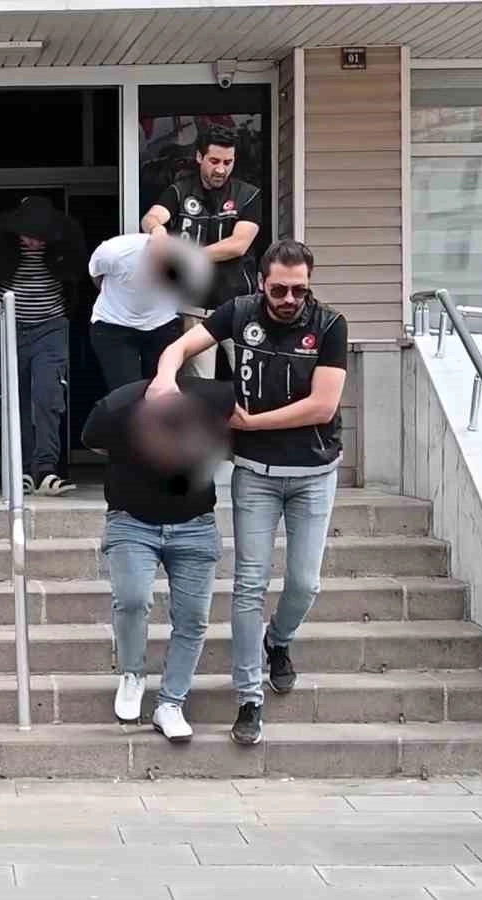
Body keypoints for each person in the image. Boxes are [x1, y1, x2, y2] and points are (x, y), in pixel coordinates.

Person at [148, 239, 348, 747]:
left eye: (299, 290)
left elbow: (323, 406)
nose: (289, 299)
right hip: (256, 474)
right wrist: (166, 377)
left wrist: (253, 423)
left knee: (304, 583)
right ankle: (249, 698)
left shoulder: (329, 325)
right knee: (249, 585)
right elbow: (180, 346)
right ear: (262, 283)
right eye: (279, 289)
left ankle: (277, 641)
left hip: (313, 472)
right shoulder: (238, 312)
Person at [82, 377, 233, 743]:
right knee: (132, 599)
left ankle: (171, 703)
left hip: (195, 524)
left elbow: (236, 436)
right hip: (131, 521)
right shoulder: (117, 408)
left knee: (193, 617)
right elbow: (93, 441)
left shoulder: (211, 400)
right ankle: (132, 673)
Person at [141, 124, 262, 378]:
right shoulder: (179, 190)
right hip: (194, 310)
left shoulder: (248, 195)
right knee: (198, 386)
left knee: (250, 381)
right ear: (199, 156)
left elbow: (238, 245)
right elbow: (152, 217)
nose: (221, 169)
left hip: (239, 307)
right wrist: (157, 230)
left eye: (228, 162)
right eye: (214, 161)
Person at [0, 196, 87, 496]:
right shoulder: (0, 238)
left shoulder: (66, 239)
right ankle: (20, 468)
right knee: (13, 399)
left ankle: (46, 469)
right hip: (7, 326)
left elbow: (77, 273)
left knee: (48, 395)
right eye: (28, 236)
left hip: (50, 327)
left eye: (40, 238)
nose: (33, 243)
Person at [87, 231, 208, 398]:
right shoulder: (114, 252)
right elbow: (96, 275)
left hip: (162, 324)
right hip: (114, 323)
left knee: (164, 392)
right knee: (126, 395)